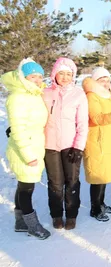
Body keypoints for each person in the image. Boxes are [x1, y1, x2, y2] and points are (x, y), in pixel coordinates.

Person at [1, 59, 51, 239]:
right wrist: (28, 155)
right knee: (26, 188)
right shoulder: (18, 97)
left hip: (33, 145)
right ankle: (32, 225)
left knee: (23, 185)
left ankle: (20, 222)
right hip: (25, 149)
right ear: (23, 77)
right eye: (33, 76)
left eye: (39, 76)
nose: (37, 80)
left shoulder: (33, 94)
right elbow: (18, 130)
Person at [42, 57, 89, 230]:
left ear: (73, 76)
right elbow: (34, 115)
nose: (65, 77)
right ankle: (56, 215)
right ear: (54, 74)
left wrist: (78, 146)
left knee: (72, 181)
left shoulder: (78, 94)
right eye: (61, 73)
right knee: (55, 183)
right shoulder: (45, 93)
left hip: (71, 145)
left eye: (69, 74)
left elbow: (82, 123)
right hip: (50, 145)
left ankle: (71, 214)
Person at [82, 67, 111, 222]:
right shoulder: (92, 96)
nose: (106, 83)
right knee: (97, 177)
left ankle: (101, 203)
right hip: (97, 141)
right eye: (102, 80)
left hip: (108, 140)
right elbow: (96, 117)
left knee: (104, 176)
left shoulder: (108, 96)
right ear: (95, 81)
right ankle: (95, 208)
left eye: (107, 80)